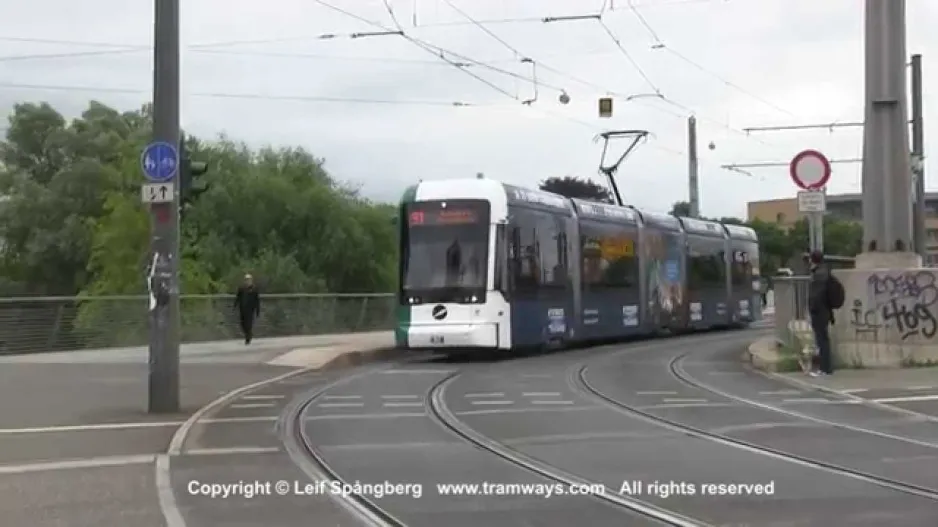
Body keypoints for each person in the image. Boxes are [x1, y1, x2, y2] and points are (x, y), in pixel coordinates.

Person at [807, 251, 841, 376]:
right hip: (825, 311)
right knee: (823, 340)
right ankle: (826, 368)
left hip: (820, 312)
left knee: (822, 341)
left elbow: (816, 296)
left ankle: (825, 368)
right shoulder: (824, 272)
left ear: (812, 260)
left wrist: (812, 309)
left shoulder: (819, 275)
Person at [234, 274, 260, 344]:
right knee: (243, 323)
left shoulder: (254, 289)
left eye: (249, 280)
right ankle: (248, 334)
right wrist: (235, 306)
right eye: (246, 280)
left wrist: (257, 310)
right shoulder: (241, 288)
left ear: (251, 280)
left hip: (250, 309)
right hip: (242, 308)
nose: (248, 281)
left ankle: (248, 337)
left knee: (249, 323)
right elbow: (238, 297)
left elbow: (257, 300)